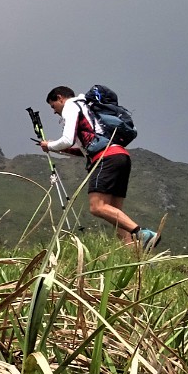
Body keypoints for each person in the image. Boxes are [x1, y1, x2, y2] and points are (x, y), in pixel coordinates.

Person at [38, 85, 161, 250]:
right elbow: (85, 149)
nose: (54, 111)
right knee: (115, 216)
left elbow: (67, 139)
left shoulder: (71, 105)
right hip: (120, 156)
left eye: (53, 106)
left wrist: (50, 145)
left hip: (106, 158)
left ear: (60, 98)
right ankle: (135, 256)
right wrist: (56, 148)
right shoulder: (88, 109)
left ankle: (143, 234)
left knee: (97, 206)